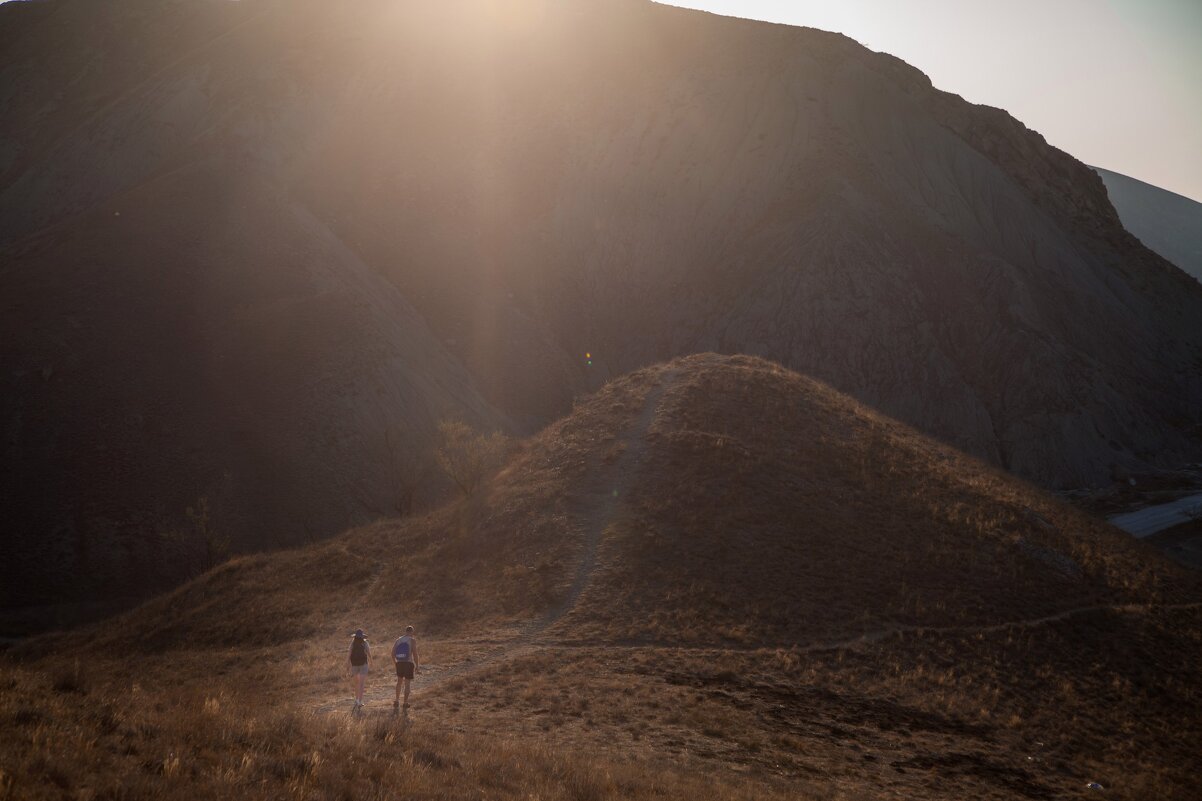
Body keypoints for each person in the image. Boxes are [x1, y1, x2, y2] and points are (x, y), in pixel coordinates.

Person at [392, 625, 419, 712]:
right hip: (408, 663)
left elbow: (392, 653)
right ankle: (405, 703)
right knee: (407, 684)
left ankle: (396, 701)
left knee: (399, 682)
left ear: (405, 631)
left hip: (399, 663)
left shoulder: (398, 640)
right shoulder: (412, 640)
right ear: (411, 632)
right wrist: (417, 665)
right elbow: (415, 654)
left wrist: (395, 663)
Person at [346, 629, 371, 709]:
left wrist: (347, 665)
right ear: (362, 636)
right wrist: (371, 661)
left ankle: (356, 700)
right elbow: (369, 653)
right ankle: (360, 701)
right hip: (363, 664)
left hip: (354, 665)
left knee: (356, 683)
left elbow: (349, 654)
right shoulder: (365, 643)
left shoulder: (352, 644)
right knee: (361, 683)